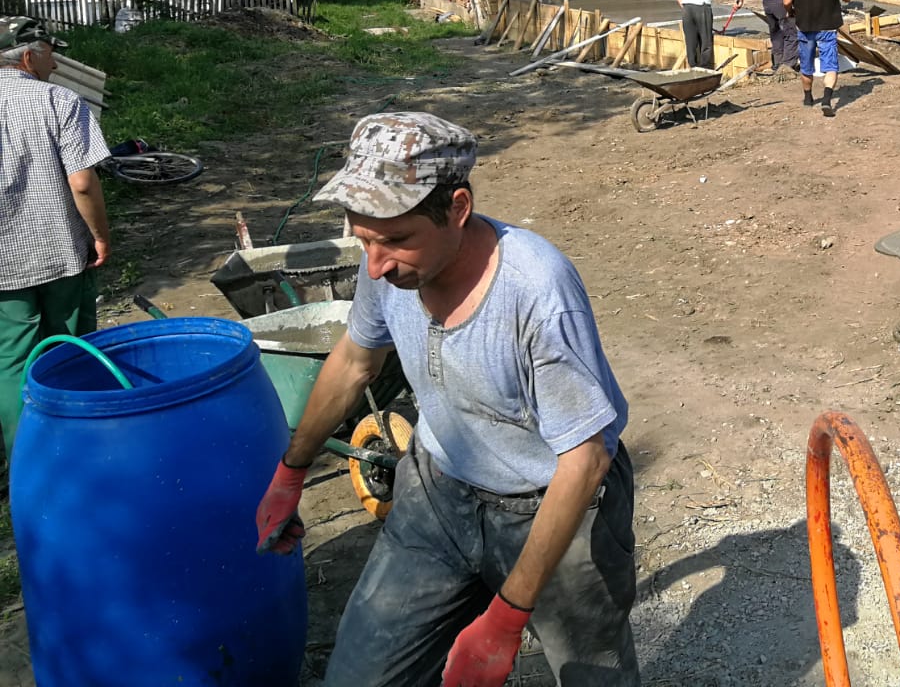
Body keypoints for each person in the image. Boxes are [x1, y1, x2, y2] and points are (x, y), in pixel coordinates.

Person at [255, 112, 638, 687]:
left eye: (396, 240)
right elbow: (357, 359)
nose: (376, 264)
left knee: (593, 678)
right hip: (437, 492)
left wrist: (506, 618)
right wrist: (291, 472)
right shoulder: (383, 267)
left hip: (553, 507)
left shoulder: (536, 290)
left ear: (457, 208)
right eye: (363, 239)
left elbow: (585, 460)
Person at [0, 18, 111, 459]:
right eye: (49, 51)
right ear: (28, 56)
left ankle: (27, 458)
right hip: (60, 251)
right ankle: (79, 448)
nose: (55, 61)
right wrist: (100, 236)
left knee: (11, 359)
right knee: (69, 348)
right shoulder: (59, 100)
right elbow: (82, 183)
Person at [784, 0, 852, 117]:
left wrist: (790, 11)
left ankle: (808, 98)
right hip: (827, 27)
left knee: (806, 64)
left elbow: (786, 0)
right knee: (830, 66)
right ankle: (827, 100)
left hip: (804, 27)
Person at [678, 0, 743, 70]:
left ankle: (693, 69)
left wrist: (691, 12)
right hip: (702, 7)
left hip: (686, 8)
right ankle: (705, 70)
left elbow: (680, 0)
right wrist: (740, 1)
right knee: (706, 41)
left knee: (691, 42)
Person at [761, 0, 803, 74]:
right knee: (792, 33)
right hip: (780, 0)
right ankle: (788, 67)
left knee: (776, 34)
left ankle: (777, 64)